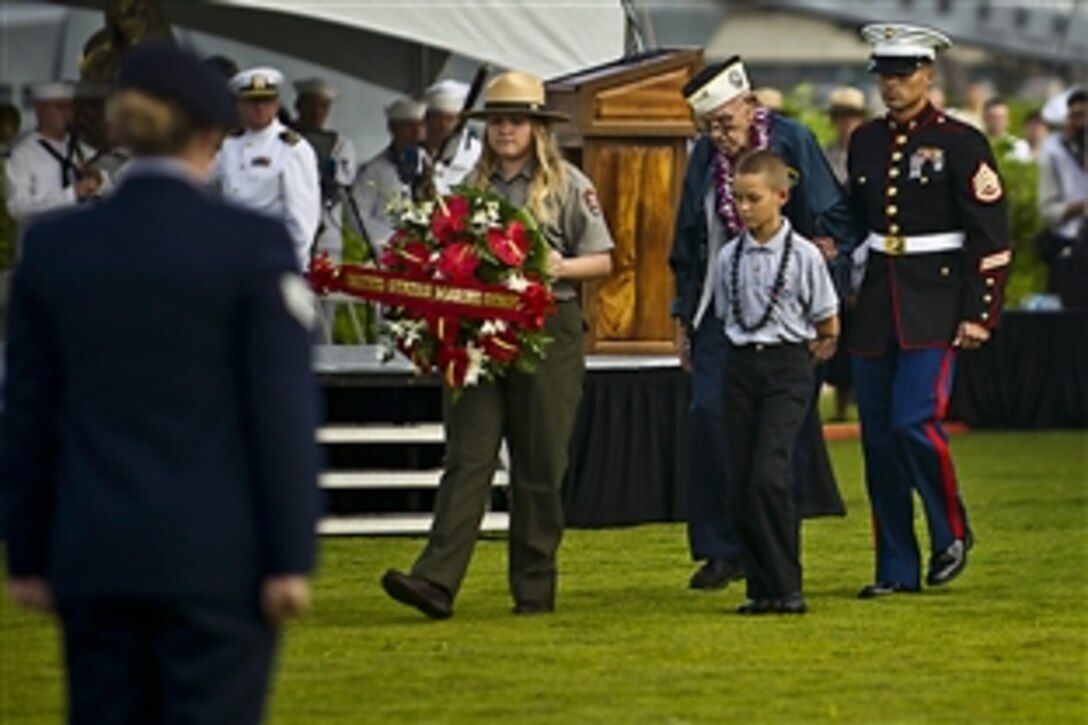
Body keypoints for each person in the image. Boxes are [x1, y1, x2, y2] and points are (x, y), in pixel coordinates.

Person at [2, 43, 321, 724]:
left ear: (120, 128)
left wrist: (26, 550)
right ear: (212, 135)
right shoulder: (249, 248)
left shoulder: (56, 251)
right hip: (217, 557)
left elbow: (27, 411)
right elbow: (280, 413)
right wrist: (290, 553)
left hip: (95, 552)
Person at [381, 70, 614, 619]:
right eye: (498, 121)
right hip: (477, 332)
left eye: (517, 120)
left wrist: (556, 265)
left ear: (537, 126)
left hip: (547, 326)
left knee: (539, 463)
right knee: (467, 455)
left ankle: (534, 589)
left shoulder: (568, 185)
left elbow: (604, 259)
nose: (507, 129)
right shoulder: (468, 190)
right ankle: (436, 581)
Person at [670, 55, 854, 591]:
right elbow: (688, 236)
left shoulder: (791, 141)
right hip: (719, 306)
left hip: (785, 313)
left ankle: (776, 546)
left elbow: (834, 211)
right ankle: (721, 548)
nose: (720, 136)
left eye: (726, 123)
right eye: (710, 127)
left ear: (751, 105)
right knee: (709, 416)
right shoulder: (704, 156)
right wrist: (682, 316)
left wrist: (826, 251)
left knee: (780, 437)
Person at [848, 24, 1010, 598]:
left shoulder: (962, 143)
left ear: (928, 74)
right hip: (875, 308)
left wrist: (980, 313)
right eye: (884, 75)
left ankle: (952, 530)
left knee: (913, 421)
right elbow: (854, 220)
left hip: (936, 305)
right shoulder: (864, 140)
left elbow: (990, 236)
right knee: (878, 442)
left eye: (902, 73)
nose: (891, 85)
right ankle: (894, 569)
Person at [714, 150, 840, 615]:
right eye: (738, 200)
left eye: (753, 199)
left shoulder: (804, 255)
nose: (744, 209)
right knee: (742, 478)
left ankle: (788, 584)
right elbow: (729, 314)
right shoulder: (730, 256)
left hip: (787, 366)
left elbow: (827, 322)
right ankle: (760, 587)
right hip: (742, 365)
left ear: (781, 197)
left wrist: (809, 358)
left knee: (771, 473)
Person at [210, 67, 321, 271]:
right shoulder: (229, 144)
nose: (260, 108)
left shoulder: (292, 148)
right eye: (252, 102)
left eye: (266, 101)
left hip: (272, 262)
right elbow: (198, 179)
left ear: (276, 105)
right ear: (239, 106)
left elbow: (302, 221)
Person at [4, 82, 110, 230]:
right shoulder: (22, 154)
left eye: (70, 107)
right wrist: (70, 195)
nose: (67, 114)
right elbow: (18, 209)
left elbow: (113, 184)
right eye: (60, 107)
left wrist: (99, 180)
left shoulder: (81, 149)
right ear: (40, 109)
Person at [822, 86, 867, 422]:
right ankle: (838, 401)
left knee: (859, 333)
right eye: (841, 117)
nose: (845, 123)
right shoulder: (826, 157)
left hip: (864, 245)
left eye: (850, 116)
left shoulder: (869, 156)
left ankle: (859, 398)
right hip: (833, 247)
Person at [293, 77, 358, 264]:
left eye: (323, 106)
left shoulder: (340, 144)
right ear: (299, 105)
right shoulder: (283, 138)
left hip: (327, 237)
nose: (316, 112)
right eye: (311, 105)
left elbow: (345, 185)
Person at [350, 97, 426, 248]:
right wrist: (392, 238)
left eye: (419, 125)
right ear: (392, 128)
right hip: (389, 252)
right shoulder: (373, 170)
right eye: (409, 126)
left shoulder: (429, 164)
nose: (415, 132)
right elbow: (357, 216)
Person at [1037, 89, 1086, 300]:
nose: (1078, 123)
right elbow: (1047, 210)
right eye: (1073, 116)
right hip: (1071, 250)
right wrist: (1080, 208)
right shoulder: (1056, 155)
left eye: (1082, 116)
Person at [422, 79, 482, 193]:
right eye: (437, 118)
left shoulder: (475, 152)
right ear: (427, 118)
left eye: (450, 119)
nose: (443, 125)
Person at [824, 86, 867, 186]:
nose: (847, 121)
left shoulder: (873, 156)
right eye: (841, 115)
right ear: (833, 119)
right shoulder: (823, 157)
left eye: (853, 115)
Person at [982, 97, 1032, 163]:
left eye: (1002, 118)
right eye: (993, 117)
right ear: (984, 118)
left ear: (1008, 120)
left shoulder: (1019, 146)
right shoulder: (975, 145)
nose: (997, 122)